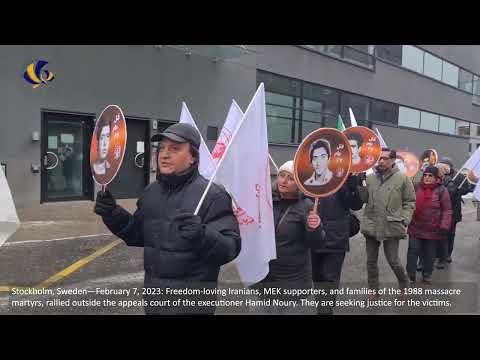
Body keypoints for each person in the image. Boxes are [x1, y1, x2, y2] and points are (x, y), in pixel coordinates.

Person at [94, 123, 241, 315]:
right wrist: (112, 213)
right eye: (161, 148)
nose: (164, 154)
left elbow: (230, 248)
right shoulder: (151, 192)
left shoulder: (212, 195)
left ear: (193, 158)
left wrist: (203, 236)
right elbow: (137, 234)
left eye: (175, 149)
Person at [252, 160, 325, 315]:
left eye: (290, 178)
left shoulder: (307, 206)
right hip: (265, 278)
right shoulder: (266, 201)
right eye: (281, 176)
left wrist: (315, 228)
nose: (283, 181)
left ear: (299, 184)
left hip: (293, 281)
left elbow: (316, 243)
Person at [358, 148, 416, 298]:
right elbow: (364, 199)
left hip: (392, 225)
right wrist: (360, 185)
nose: (381, 161)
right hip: (371, 224)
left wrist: (404, 219)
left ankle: (404, 284)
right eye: (379, 158)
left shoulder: (402, 179)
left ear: (392, 161)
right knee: (371, 261)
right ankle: (373, 289)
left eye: (385, 158)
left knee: (393, 260)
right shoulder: (370, 178)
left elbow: (409, 201)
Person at [311, 173, 364, 314]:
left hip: (335, 238)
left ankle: (325, 310)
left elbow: (356, 204)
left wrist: (352, 187)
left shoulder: (343, 176)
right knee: (317, 277)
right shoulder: (310, 176)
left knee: (330, 279)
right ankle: (321, 307)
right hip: (313, 236)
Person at [406, 166, 452, 285]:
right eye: (425, 175)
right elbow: (408, 203)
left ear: (436, 178)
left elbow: (447, 210)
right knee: (412, 251)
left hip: (433, 229)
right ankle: (410, 275)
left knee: (429, 253)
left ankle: (427, 275)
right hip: (415, 226)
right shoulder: (416, 188)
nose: (427, 177)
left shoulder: (442, 191)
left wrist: (444, 225)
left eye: (430, 176)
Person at [434, 157, 474, 267]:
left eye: (444, 166)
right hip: (438, 210)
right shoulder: (437, 176)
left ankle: (447, 254)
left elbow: (465, 190)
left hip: (454, 210)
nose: (442, 168)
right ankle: (438, 254)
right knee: (438, 233)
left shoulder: (459, 177)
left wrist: (458, 191)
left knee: (450, 234)